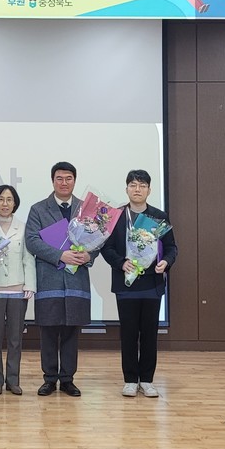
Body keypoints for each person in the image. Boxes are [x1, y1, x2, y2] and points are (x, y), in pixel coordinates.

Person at [100, 169, 177, 398]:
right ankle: (130, 380)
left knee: (150, 334)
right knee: (129, 334)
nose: (137, 189)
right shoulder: (116, 216)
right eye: (133, 185)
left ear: (149, 190)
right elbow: (106, 248)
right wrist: (121, 263)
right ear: (126, 189)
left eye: (142, 185)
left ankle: (147, 380)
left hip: (152, 283)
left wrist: (166, 262)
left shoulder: (158, 217)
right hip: (126, 284)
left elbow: (171, 247)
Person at [24, 162, 95, 397]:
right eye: (59, 178)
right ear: (52, 181)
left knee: (71, 332)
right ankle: (49, 379)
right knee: (48, 331)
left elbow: (98, 239)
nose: (64, 183)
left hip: (76, 280)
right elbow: (32, 241)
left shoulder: (86, 209)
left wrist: (89, 255)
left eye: (68, 178)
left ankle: (67, 379)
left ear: (75, 180)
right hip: (49, 279)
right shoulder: (38, 209)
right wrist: (59, 255)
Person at [0, 184, 36, 396]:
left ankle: (13, 380)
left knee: (15, 340)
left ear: (15, 203)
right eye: (1, 199)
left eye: (9, 199)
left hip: (17, 291)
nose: (5, 203)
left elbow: (28, 259)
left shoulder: (23, 227)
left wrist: (29, 285)